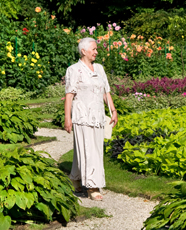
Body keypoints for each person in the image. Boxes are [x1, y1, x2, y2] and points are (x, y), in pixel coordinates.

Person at [64, 37, 118, 201]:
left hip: (98, 116)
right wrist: (68, 118)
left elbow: (105, 91)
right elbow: (69, 95)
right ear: (83, 51)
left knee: (89, 149)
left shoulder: (99, 69)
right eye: (93, 49)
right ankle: (92, 187)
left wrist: (113, 110)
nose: (96, 52)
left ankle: (75, 177)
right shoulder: (74, 70)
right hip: (82, 116)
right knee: (88, 150)